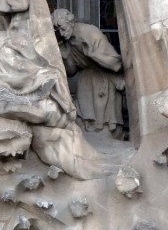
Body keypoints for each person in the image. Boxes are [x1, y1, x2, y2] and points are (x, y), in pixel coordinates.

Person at [51, 8, 126, 137]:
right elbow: (71, 71)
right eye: (59, 31)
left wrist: (94, 55)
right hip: (85, 78)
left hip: (104, 77)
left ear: (70, 22)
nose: (62, 34)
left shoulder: (90, 32)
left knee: (103, 124)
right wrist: (64, 52)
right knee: (84, 119)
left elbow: (115, 63)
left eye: (62, 29)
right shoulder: (68, 41)